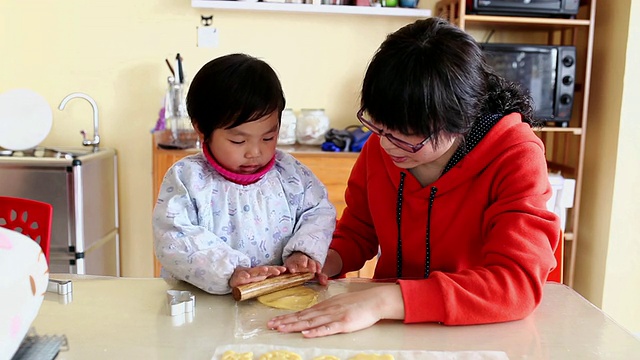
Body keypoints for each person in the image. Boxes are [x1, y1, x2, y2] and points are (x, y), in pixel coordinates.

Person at [268, 17, 561, 337]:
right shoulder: (384, 147)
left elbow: (515, 283)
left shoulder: (515, 156)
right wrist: (318, 261)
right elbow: (358, 231)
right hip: (393, 326)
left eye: (406, 137)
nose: (385, 145)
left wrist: (382, 300)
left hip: (480, 329)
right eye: (378, 127)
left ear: (460, 120)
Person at [153, 53, 336, 295]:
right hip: (203, 306)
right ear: (201, 128)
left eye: (268, 137)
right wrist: (231, 272)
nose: (255, 152)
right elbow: (174, 237)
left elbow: (319, 212)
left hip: (275, 301)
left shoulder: (292, 175)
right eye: (238, 140)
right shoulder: (188, 179)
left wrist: (302, 252)